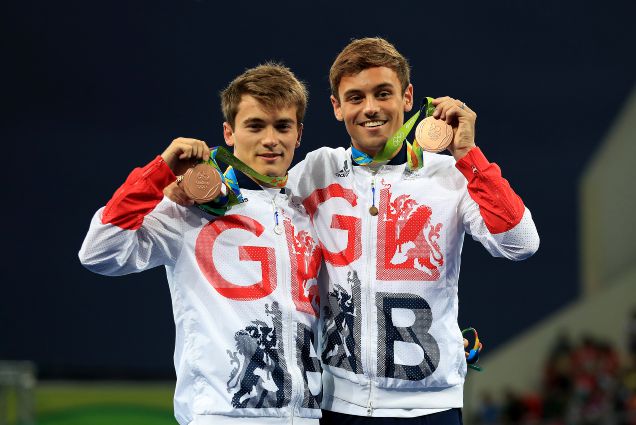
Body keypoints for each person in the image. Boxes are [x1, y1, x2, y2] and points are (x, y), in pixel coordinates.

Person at [285, 37, 540, 424]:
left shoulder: (450, 175)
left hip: (429, 408)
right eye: (355, 97)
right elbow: (256, 210)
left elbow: (520, 244)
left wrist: (469, 155)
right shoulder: (317, 170)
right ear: (336, 107)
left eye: (382, 93)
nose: (370, 108)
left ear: (408, 97)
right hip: (340, 406)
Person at [79, 63, 324, 425]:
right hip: (220, 415)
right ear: (229, 132)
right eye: (255, 125)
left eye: (282, 126)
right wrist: (160, 171)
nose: (270, 139)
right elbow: (99, 252)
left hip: (304, 416)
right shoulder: (189, 211)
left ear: (299, 134)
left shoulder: (308, 214)